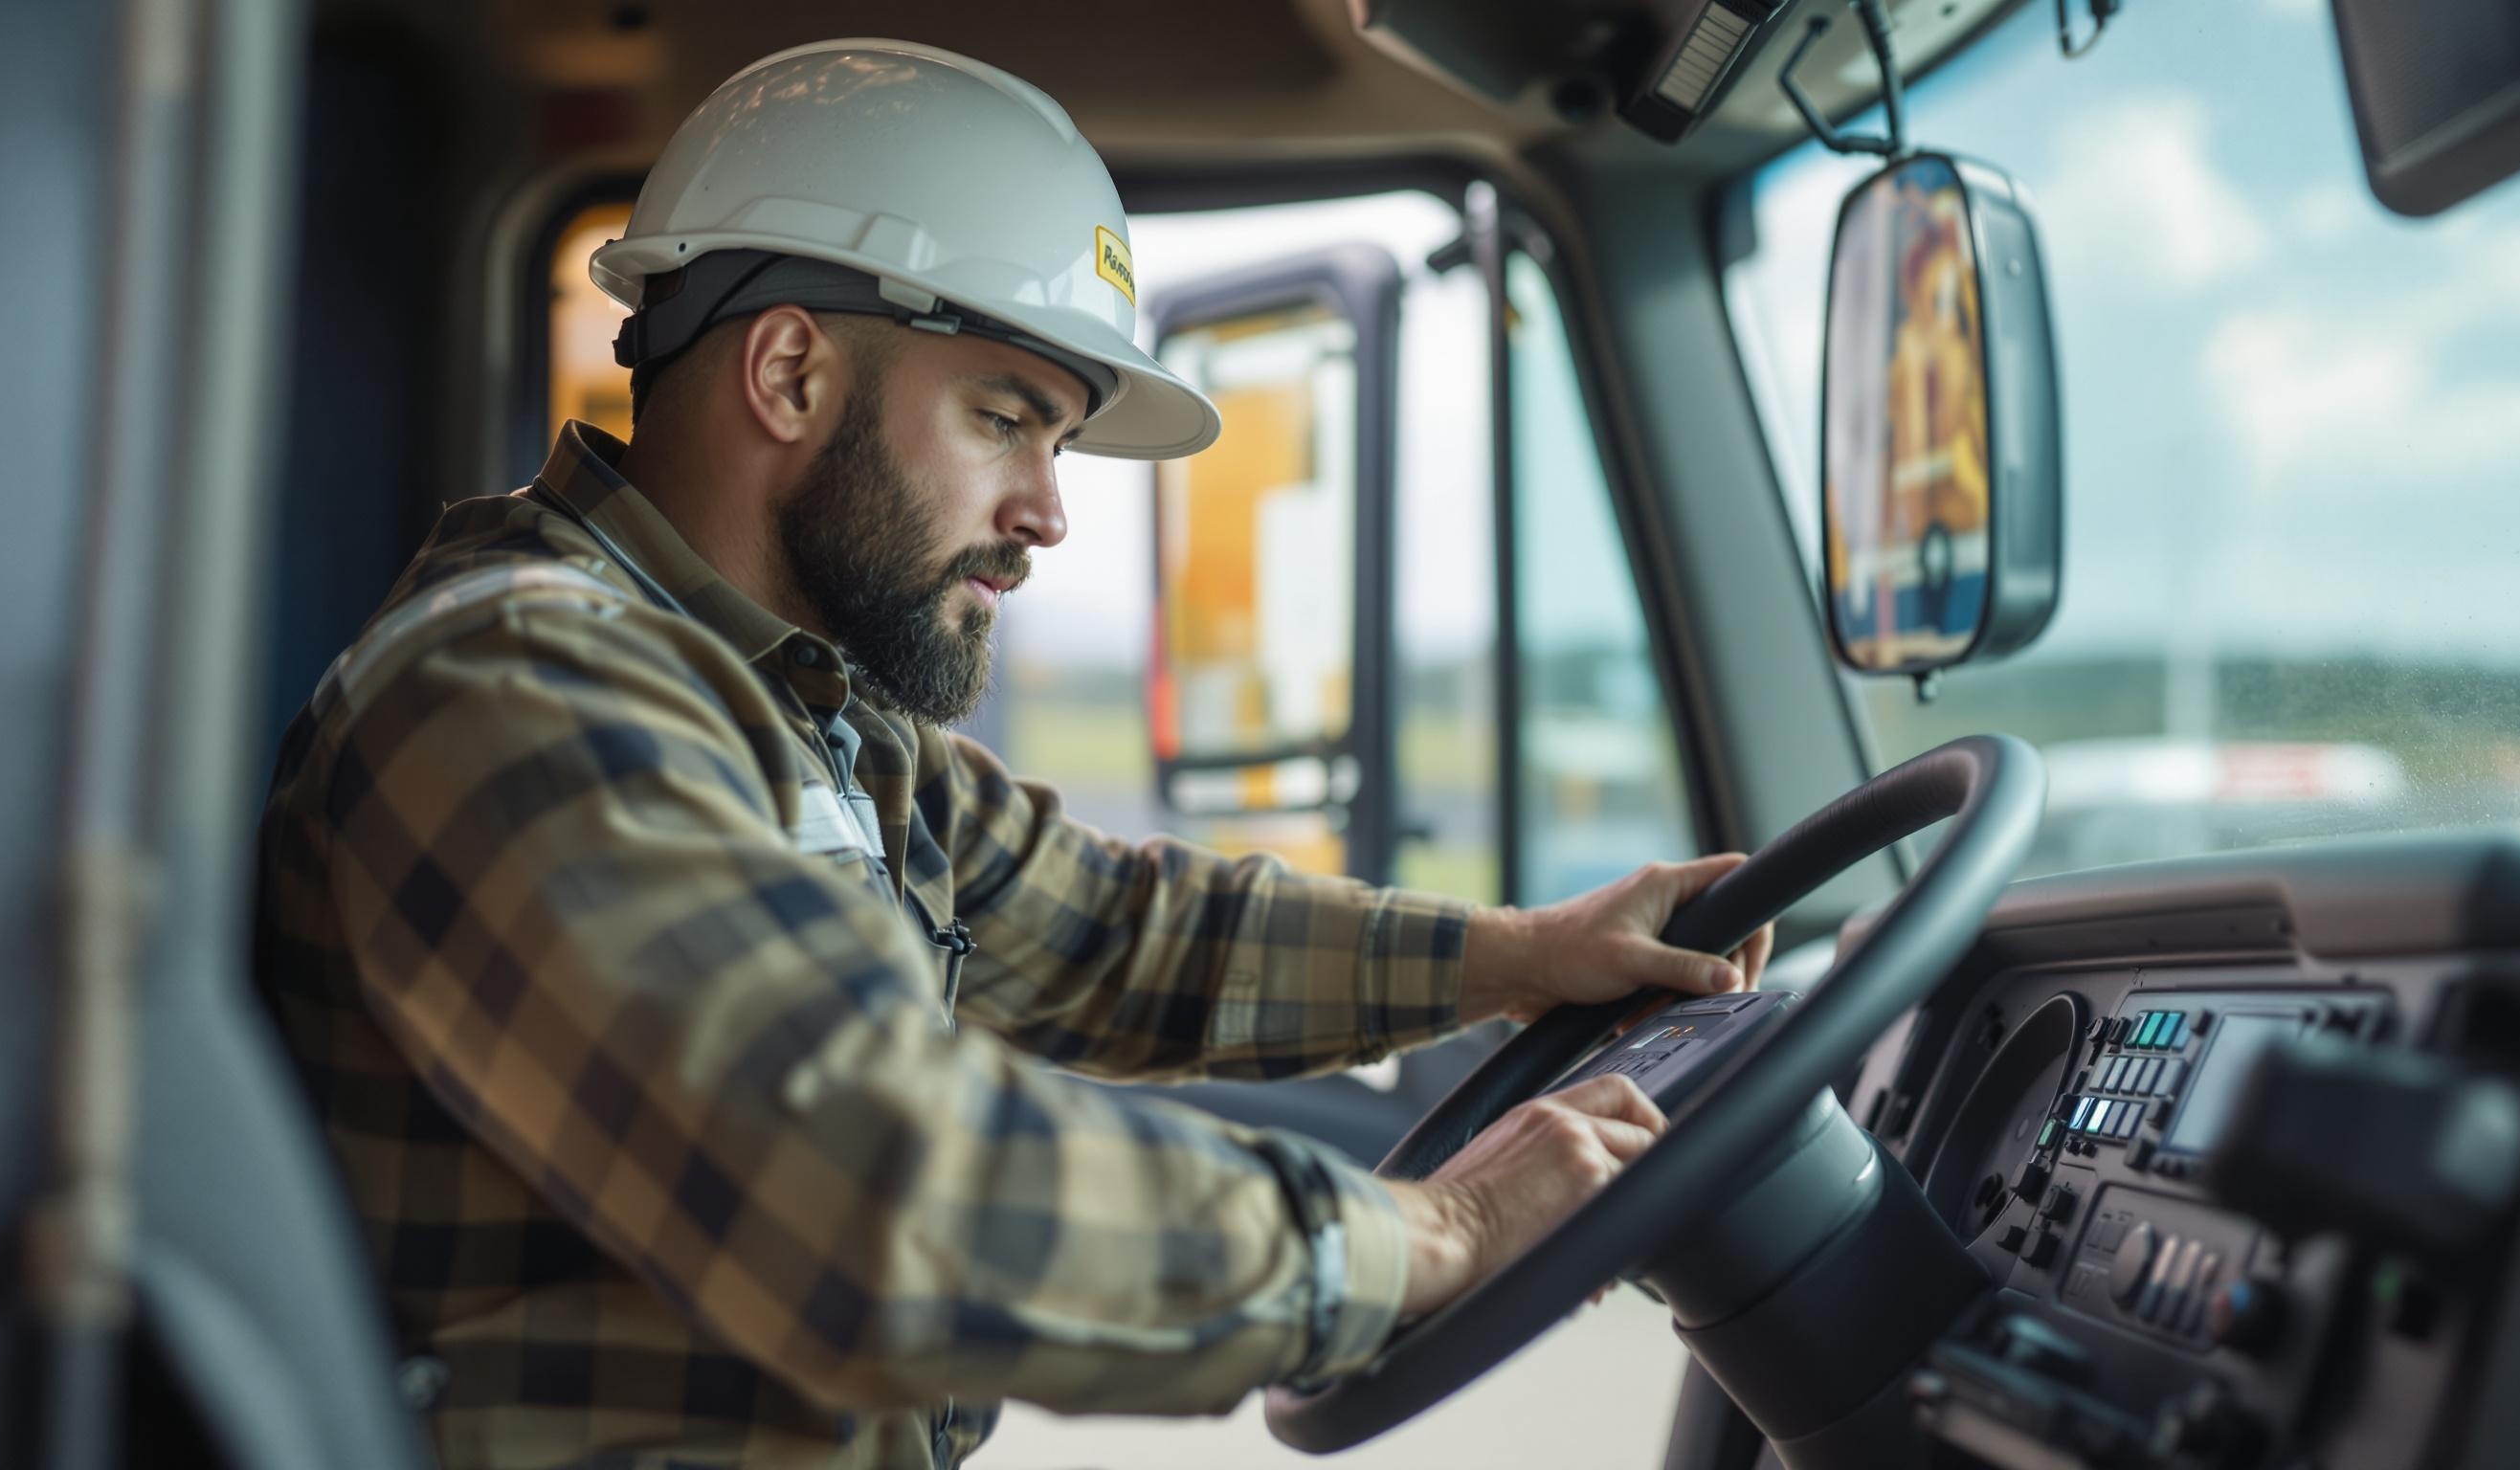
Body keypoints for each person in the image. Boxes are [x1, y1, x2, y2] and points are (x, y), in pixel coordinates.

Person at [255, 38, 1773, 1470]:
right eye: (1006, 419)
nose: (1050, 512)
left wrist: (1529, 957)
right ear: (789, 377)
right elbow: (873, 1190)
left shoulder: (795, 704)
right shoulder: (521, 694)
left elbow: (1122, 932)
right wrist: (1432, 1236)